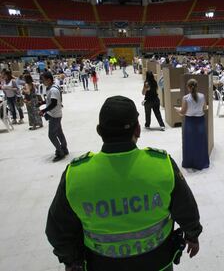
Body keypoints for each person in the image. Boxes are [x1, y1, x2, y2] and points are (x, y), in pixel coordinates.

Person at [46, 96, 202, 271]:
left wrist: (72, 261)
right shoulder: (162, 165)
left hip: (101, 265)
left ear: (99, 131)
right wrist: (192, 235)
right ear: (137, 129)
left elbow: (57, 229)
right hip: (158, 262)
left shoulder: (75, 175)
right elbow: (186, 207)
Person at [176, 79, 209, 170]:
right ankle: (201, 162)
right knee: (200, 142)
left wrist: (177, 110)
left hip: (190, 121)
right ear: (197, 86)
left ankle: (190, 162)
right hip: (200, 121)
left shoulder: (185, 98)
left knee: (190, 142)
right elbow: (205, 108)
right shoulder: (202, 96)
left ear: (188, 87)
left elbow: (183, 112)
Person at [39, 71, 68, 162]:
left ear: (49, 80)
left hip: (54, 115)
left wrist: (43, 111)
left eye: (43, 80)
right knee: (59, 133)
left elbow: (54, 103)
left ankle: (60, 152)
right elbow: (51, 101)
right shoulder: (51, 88)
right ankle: (64, 149)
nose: (42, 82)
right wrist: (43, 102)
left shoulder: (53, 90)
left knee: (51, 135)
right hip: (56, 114)